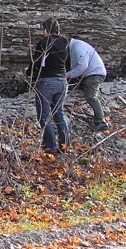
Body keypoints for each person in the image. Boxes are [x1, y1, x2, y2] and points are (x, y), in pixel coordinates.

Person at [27, 17, 70, 154]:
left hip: (47, 81)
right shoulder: (65, 43)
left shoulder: (43, 43)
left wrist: (29, 74)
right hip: (62, 81)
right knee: (59, 114)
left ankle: (51, 146)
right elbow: (67, 63)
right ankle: (65, 146)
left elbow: (37, 63)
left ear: (46, 29)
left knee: (44, 116)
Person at [66, 35, 109, 131]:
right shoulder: (73, 48)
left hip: (95, 73)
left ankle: (100, 121)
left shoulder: (77, 46)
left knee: (90, 96)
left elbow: (82, 66)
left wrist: (68, 75)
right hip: (87, 74)